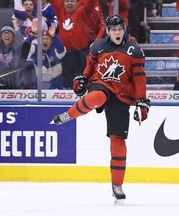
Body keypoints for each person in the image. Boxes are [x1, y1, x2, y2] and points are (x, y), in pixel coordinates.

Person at [50, 15, 150, 205]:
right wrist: (83, 79)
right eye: (113, 30)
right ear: (108, 31)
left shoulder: (135, 51)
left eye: (120, 29)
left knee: (117, 140)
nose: (117, 32)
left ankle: (117, 185)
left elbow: (139, 79)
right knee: (97, 96)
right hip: (101, 84)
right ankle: (68, 115)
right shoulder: (97, 47)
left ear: (124, 29)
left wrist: (142, 102)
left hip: (122, 95)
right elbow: (90, 68)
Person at [51, 0, 103, 89]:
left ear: (78, 3)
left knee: (81, 79)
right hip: (65, 54)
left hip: (81, 54)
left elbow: (91, 3)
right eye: (67, 1)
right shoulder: (60, 11)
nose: (69, 3)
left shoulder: (82, 12)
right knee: (67, 80)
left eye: (72, 1)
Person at [0, 23, 36, 88]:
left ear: (13, 36)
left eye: (9, 33)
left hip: (15, 86)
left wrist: (33, 33)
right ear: (1, 36)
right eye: (4, 33)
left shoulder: (17, 48)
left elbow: (26, 43)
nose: (7, 35)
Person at [26, 21, 66, 89]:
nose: (44, 41)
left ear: (51, 41)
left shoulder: (55, 49)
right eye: (42, 39)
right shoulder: (35, 49)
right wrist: (32, 34)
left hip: (56, 85)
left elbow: (62, 52)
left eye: (47, 39)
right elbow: (24, 51)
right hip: (39, 86)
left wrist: (54, 36)